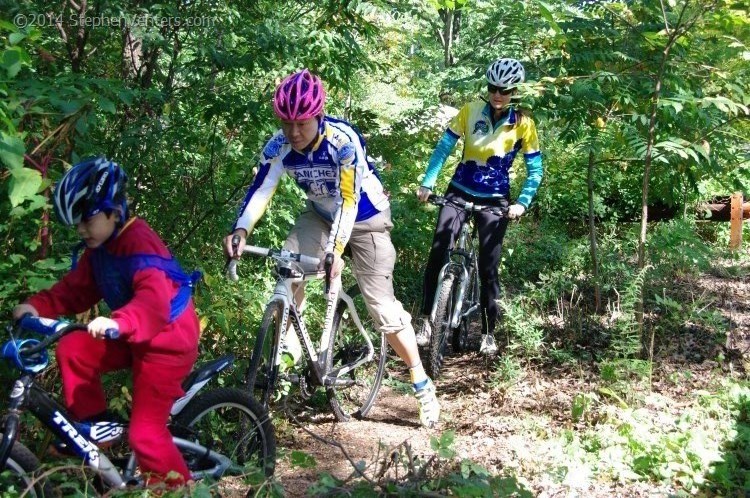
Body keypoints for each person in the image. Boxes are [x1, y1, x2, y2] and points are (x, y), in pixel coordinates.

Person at [223, 69, 440, 428]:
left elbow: (350, 199)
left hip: (366, 217)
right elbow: (262, 188)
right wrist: (241, 229)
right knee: (288, 265)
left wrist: (335, 251)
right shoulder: (279, 146)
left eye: (302, 123)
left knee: (381, 308)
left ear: (318, 115)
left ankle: (421, 381)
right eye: (286, 123)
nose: (293, 132)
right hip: (321, 215)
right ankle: (286, 354)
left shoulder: (343, 141)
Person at [12, 158, 200, 487]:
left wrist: (120, 321)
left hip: (167, 342)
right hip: (131, 333)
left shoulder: (139, 244)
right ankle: (98, 428)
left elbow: (153, 302)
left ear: (114, 211)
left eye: (87, 220)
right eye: (77, 224)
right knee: (73, 347)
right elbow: (74, 291)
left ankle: (179, 492)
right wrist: (34, 306)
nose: (82, 230)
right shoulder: (99, 248)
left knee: (146, 435)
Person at [415, 58, 544, 355]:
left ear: (514, 92)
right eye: (493, 88)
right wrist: (428, 182)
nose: (497, 94)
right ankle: (425, 319)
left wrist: (521, 203)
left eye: (504, 89)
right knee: (438, 250)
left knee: (488, 266)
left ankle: (488, 332)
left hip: (495, 200)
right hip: (459, 190)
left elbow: (535, 170)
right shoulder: (470, 111)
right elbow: (444, 147)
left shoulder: (523, 124)